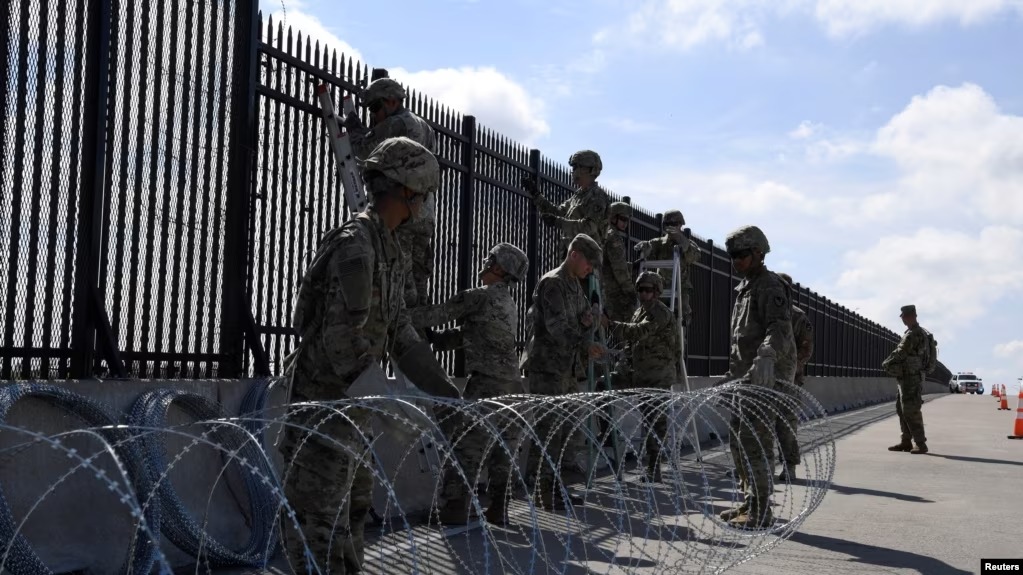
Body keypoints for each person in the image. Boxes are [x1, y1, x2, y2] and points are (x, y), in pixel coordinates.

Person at [280, 137, 459, 574]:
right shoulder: (356, 246)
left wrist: (448, 396)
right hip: (323, 413)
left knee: (354, 518)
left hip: (353, 415)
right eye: (423, 195)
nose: (425, 204)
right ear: (406, 191)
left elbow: (402, 334)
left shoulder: (391, 250)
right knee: (319, 531)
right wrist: (391, 412)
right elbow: (342, 344)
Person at [409, 242, 529, 526]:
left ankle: (454, 507)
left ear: (499, 268)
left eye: (490, 259)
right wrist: (438, 340)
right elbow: (473, 335)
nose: (485, 262)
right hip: (512, 387)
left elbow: (435, 314)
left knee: (466, 447)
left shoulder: (479, 297)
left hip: (486, 385)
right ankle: (499, 508)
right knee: (503, 450)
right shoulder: (507, 303)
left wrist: (396, 313)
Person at [717, 225, 796, 530]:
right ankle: (750, 501)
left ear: (759, 254)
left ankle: (762, 510)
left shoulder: (770, 286)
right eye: (733, 256)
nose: (737, 260)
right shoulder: (745, 288)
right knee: (739, 441)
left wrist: (766, 356)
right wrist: (731, 375)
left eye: (742, 255)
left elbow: (779, 329)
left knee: (755, 443)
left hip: (763, 380)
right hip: (744, 378)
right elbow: (742, 339)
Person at [520, 233, 606, 510]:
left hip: (566, 370)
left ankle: (553, 486)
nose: (589, 270)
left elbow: (582, 321)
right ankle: (540, 488)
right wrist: (585, 340)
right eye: (588, 264)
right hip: (547, 368)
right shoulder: (553, 284)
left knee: (566, 430)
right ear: (574, 255)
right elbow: (557, 329)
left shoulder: (573, 286)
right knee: (548, 431)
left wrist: (589, 322)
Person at [344, 77, 439, 309]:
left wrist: (353, 126)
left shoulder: (397, 123)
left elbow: (363, 148)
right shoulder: (424, 126)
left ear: (393, 102)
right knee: (419, 279)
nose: (373, 116)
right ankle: (420, 333)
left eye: (375, 108)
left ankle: (401, 335)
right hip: (425, 211)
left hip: (403, 210)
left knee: (401, 281)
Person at [605, 271, 679, 482]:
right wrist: (621, 368)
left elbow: (638, 332)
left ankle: (654, 469)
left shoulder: (660, 313)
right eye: (641, 290)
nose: (644, 294)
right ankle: (607, 435)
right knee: (604, 386)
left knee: (654, 422)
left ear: (656, 292)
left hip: (657, 376)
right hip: (638, 373)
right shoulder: (639, 312)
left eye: (648, 290)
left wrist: (610, 324)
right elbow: (630, 346)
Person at [526, 150, 610, 257]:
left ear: (588, 169)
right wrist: (536, 195)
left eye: (575, 167)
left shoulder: (598, 197)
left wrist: (558, 222)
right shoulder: (578, 196)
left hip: (587, 260)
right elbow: (557, 212)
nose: (572, 172)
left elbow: (589, 226)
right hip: (572, 257)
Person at [774, 272, 814, 481]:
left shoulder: (797, 316)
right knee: (757, 424)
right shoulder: (765, 311)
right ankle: (752, 466)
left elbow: (806, 349)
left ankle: (789, 466)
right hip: (764, 377)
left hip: (790, 380)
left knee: (786, 425)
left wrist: (791, 369)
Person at [633, 209, 700, 326]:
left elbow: (694, 256)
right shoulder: (659, 243)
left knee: (679, 323)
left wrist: (681, 242)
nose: (671, 228)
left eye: (674, 224)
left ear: (680, 225)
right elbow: (648, 250)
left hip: (680, 290)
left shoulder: (688, 244)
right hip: (661, 290)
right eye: (668, 225)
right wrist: (645, 247)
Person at [882, 305, 931, 454]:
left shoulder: (913, 334)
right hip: (907, 376)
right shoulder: (916, 332)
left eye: (904, 316)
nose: (902, 319)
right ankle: (906, 441)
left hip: (910, 377)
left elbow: (900, 352)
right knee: (901, 409)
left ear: (911, 316)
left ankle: (920, 443)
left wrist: (887, 363)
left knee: (910, 410)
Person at [602, 202, 638, 322]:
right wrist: (631, 291)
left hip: (600, 286)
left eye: (627, 220)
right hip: (611, 291)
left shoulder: (603, 232)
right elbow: (620, 271)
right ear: (613, 217)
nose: (625, 224)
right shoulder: (614, 238)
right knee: (630, 322)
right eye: (623, 219)